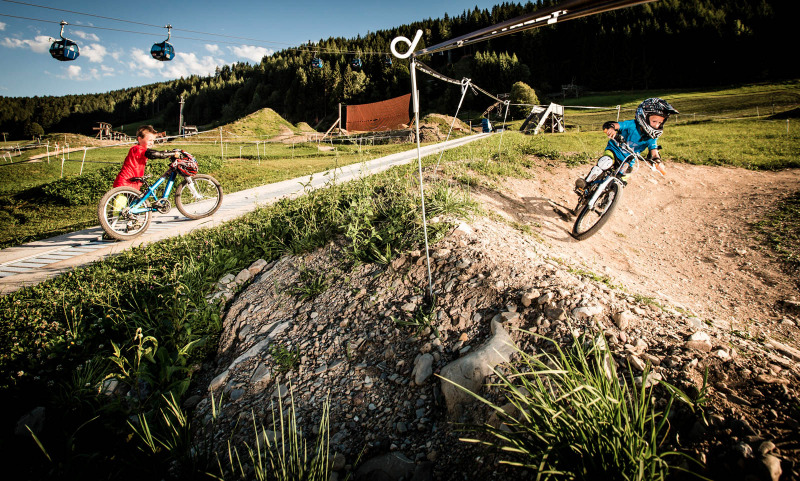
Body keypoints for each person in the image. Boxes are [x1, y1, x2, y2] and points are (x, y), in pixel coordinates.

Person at [576, 98, 678, 192]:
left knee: (621, 180)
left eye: (660, 122)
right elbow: (613, 125)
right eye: (654, 121)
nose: (657, 125)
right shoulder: (632, 125)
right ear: (644, 116)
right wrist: (611, 129)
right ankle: (585, 184)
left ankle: (609, 198)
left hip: (628, 161)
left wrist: (657, 161)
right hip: (614, 151)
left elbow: (654, 152)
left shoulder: (652, 138)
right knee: (605, 162)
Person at [111, 125, 178, 213]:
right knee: (118, 209)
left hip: (133, 183)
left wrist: (165, 153)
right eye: (149, 140)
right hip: (126, 182)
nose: (152, 143)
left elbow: (152, 153)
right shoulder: (136, 149)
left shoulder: (142, 150)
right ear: (139, 139)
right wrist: (169, 154)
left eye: (153, 140)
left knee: (131, 207)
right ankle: (111, 223)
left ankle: (130, 222)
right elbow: (153, 154)